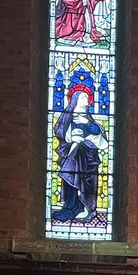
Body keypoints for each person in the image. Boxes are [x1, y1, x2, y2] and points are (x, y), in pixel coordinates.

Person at [52, 88, 106, 221]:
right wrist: (71, 137)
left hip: (88, 157)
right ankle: (70, 208)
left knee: (84, 181)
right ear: (75, 100)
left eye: (87, 98)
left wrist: (86, 123)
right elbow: (59, 130)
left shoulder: (88, 118)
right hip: (72, 152)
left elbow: (96, 131)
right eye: (83, 97)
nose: (86, 100)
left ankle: (86, 208)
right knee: (70, 176)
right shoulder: (68, 115)